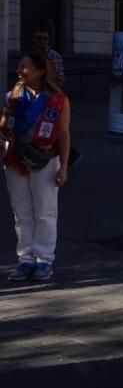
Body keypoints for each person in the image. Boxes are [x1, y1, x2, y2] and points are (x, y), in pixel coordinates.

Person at [3, 54, 71, 282]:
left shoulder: (57, 99)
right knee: (21, 213)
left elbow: (63, 135)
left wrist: (63, 168)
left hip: (45, 160)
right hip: (15, 160)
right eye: (19, 66)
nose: (19, 70)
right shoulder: (13, 96)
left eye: (25, 67)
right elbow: (4, 127)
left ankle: (44, 259)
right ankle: (25, 259)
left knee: (45, 212)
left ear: (40, 71)